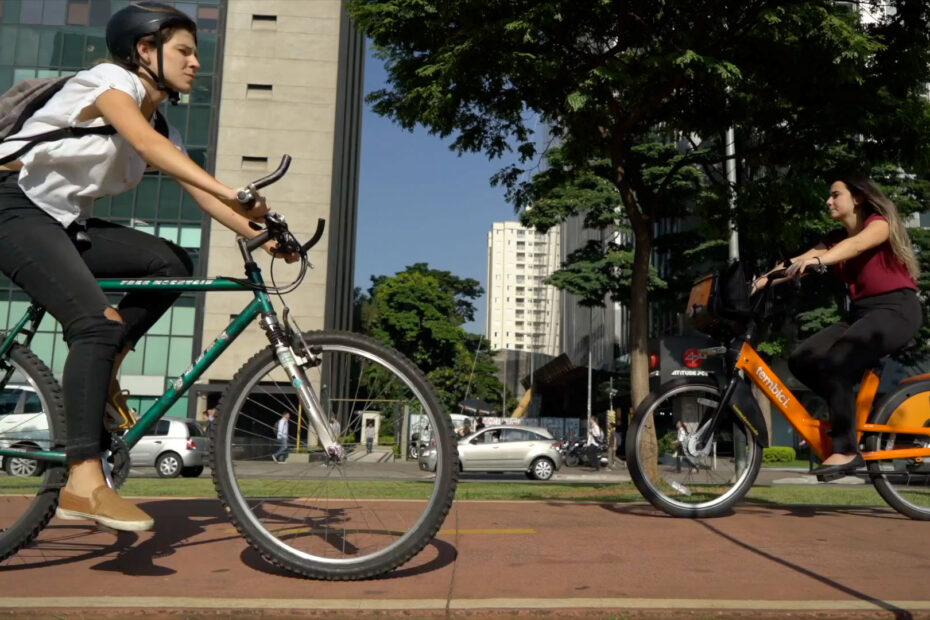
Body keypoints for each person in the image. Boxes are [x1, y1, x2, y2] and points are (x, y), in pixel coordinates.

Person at [0, 2, 295, 531]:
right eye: (184, 50)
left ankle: (107, 365)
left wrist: (266, 235)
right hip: (9, 203)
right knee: (93, 322)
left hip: (57, 219)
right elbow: (145, 145)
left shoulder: (160, 122)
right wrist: (235, 193)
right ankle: (83, 483)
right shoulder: (110, 82)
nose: (196, 63)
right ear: (145, 51)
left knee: (170, 261)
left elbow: (204, 196)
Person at [756, 173, 922, 477]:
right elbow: (800, 259)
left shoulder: (879, 222)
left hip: (897, 309)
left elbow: (857, 246)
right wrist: (762, 281)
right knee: (801, 360)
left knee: (835, 362)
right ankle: (843, 408)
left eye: (835, 195)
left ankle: (846, 449)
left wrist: (823, 262)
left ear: (856, 198)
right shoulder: (834, 240)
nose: (828, 201)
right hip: (862, 314)